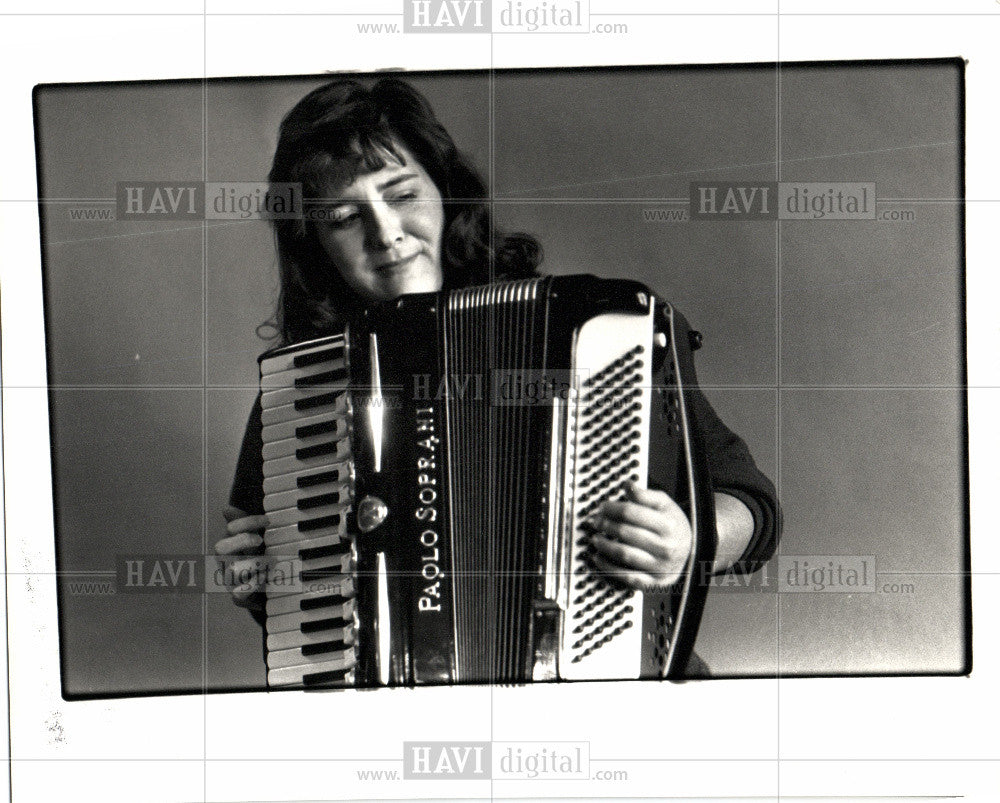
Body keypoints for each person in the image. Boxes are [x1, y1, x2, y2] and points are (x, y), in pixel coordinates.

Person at [215, 77, 780, 677]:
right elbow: (305, 615)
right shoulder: (306, 392)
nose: (386, 234)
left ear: (445, 193)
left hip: (616, 694)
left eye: (402, 194)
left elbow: (754, 508)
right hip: (413, 725)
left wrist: (690, 540)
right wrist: (263, 581)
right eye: (345, 217)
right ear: (316, 245)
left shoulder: (591, 332)